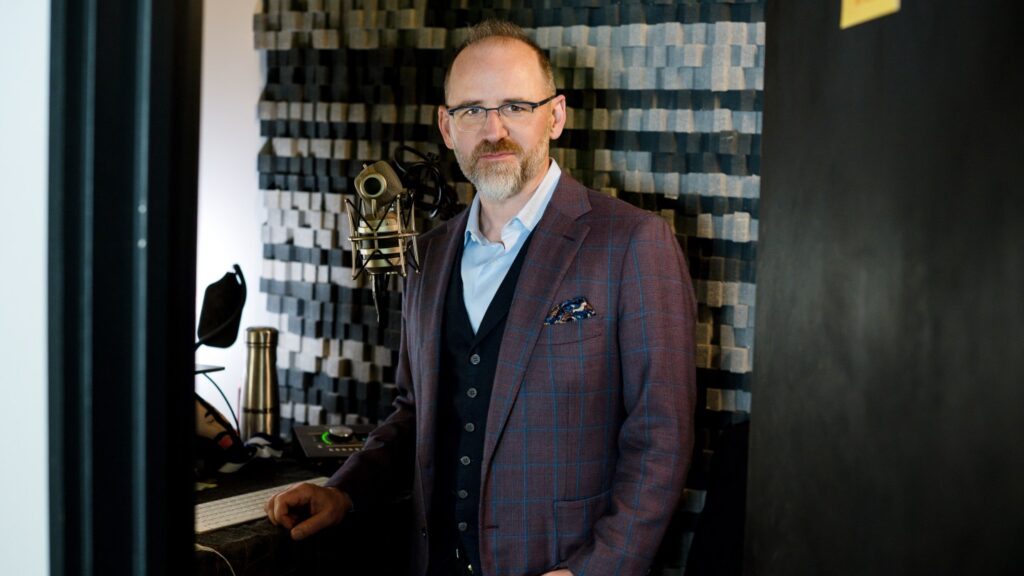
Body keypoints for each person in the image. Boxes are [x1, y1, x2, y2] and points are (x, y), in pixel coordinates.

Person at [266, 20, 696, 576]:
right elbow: (414, 413)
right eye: (472, 110)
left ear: (555, 116)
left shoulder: (633, 242)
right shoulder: (427, 254)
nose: (494, 130)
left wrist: (596, 570)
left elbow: (661, 436)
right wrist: (343, 491)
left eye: (515, 106)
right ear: (447, 127)